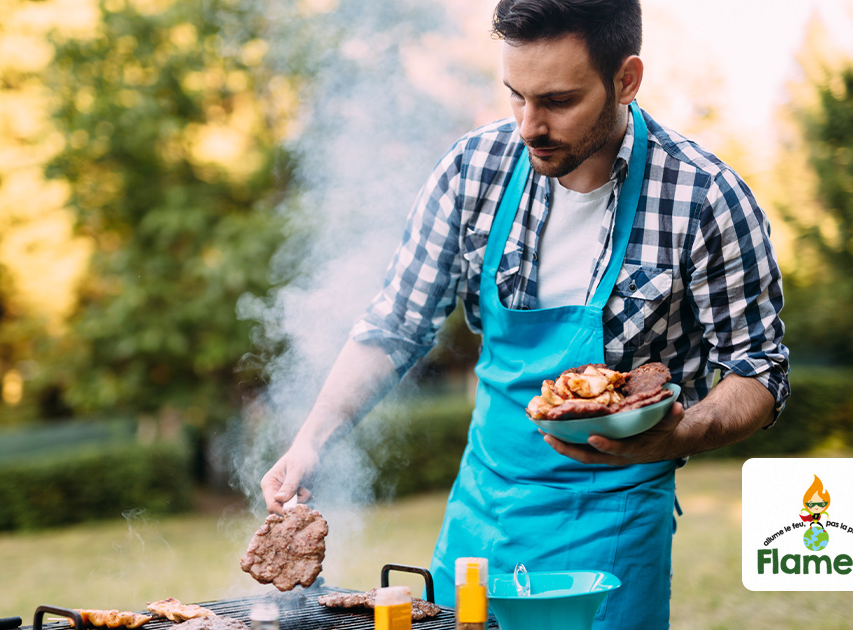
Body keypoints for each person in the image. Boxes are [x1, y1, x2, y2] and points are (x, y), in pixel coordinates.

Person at [260, 1, 789, 627]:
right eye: (516, 96)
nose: (529, 126)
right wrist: (312, 439)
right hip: (481, 525)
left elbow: (759, 370)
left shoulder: (706, 199)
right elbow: (395, 325)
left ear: (626, 80)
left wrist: (681, 434)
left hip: (612, 527)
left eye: (558, 101)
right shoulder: (473, 169)